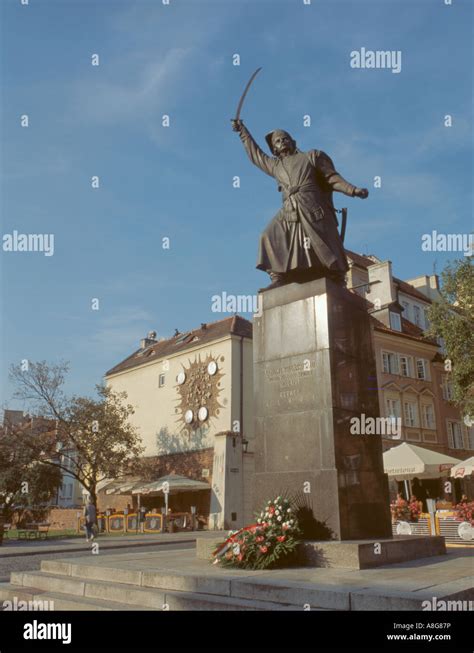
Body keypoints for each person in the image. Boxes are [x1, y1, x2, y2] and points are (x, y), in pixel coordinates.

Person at [231, 119, 368, 288]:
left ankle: (335, 274)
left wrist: (353, 190)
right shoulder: (274, 165)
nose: (282, 142)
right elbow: (256, 154)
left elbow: (332, 178)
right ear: (274, 149)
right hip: (289, 210)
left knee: (323, 242)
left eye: (285, 138)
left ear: (293, 142)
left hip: (311, 205)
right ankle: (278, 276)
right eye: (278, 141)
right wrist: (242, 132)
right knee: (268, 234)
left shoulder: (311, 156)